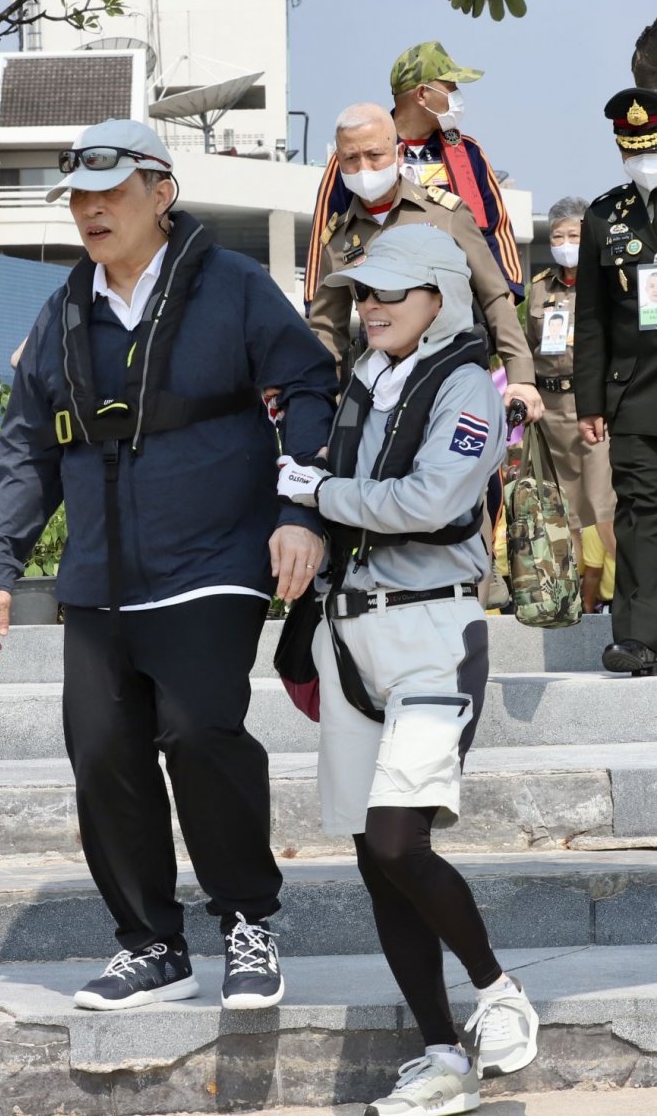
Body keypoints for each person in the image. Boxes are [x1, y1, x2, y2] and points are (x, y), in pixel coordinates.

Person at [0, 117, 337, 1011]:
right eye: (81, 199)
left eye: (111, 194)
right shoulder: (64, 311)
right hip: (100, 572)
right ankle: (149, 943)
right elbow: (26, 444)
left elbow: (314, 388)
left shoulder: (236, 287)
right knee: (102, 752)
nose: (92, 211)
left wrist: (300, 512)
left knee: (198, 731)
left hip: (214, 556)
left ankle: (248, 921)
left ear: (160, 194)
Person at [277, 225, 538, 1114]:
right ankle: (441, 1056)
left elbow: (429, 501)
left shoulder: (469, 386)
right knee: (372, 859)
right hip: (348, 636)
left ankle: (497, 991)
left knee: (399, 840)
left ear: (441, 296)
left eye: (390, 290)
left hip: (432, 636)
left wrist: (316, 496)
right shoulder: (363, 379)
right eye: (361, 293)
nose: (370, 306)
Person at [307, 103, 543, 418]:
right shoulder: (338, 237)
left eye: (375, 154)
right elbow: (327, 330)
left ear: (399, 154)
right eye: (351, 158)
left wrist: (522, 377)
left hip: (453, 381)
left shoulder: (444, 214)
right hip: (382, 392)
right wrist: (314, 405)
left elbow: (494, 296)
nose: (364, 167)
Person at [304, 42, 524, 308]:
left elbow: (496, 229)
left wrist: (506, 294)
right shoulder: (355, 156)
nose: (457, 96)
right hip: (384, 307)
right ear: (422, 94)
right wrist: (315, 306)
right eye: (451, 87)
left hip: (460, 310)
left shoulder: (468, 151)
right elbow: (325, 238)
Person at [574, 87, 657, 675]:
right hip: (635, 394)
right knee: (638, 514)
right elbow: (593, 318)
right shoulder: (605, 215)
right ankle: (637, 638)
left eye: (650, 147)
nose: (643, 159)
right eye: (633, 150)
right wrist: (590, 400)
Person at [526, 198, 616, 566]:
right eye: (558, 235)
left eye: (574, 235)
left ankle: (637, 590)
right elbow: (529, 345)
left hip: (594, 406)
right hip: (551, 410)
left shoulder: (608, 282)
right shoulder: (540, 288)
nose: (565, 243)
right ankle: (573, 596)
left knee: (605, 505)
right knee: (564, 511)